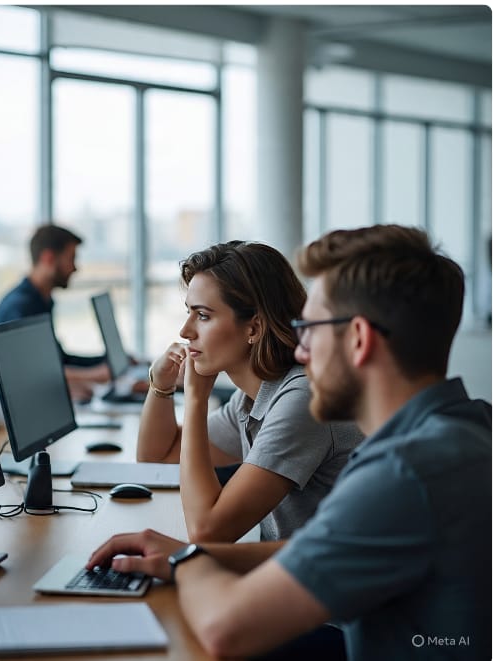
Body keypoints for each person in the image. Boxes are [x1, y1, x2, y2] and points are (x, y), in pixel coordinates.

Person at [87, 225, 492, 660]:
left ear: (358, 338)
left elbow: (227, 628)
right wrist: (191, 555)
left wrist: (188, 561)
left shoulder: (401, 472)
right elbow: (329, 544)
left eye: (311, 328)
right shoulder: (462, 428)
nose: (300, 350)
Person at [139, 240, 363, 542]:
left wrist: (195, 399)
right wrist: (160, 386)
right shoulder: (253, 397)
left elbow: (207, 531)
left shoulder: (302, 399)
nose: (185, 331)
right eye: (188, 313)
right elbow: (158, 460)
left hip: (322, 586)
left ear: (254, 329)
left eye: (203, 316)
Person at [0, 224, 110, 401]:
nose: (75, 268)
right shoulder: (20, 307)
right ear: (48, 258)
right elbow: (31, 373)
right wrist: (94, 374)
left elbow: (57, 360)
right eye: (71, 258)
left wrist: (104, 361)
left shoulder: (41, 301)